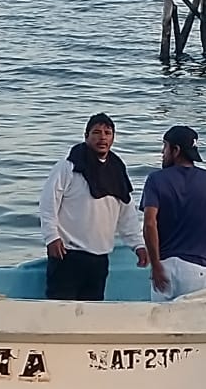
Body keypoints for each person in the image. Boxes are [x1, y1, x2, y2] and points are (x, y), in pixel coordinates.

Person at [39, 113, 147, 301]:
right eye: (96, 132)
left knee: (91, 311)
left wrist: (138, 245)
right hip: (67, 254)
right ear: (86, 136)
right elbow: (48, 202)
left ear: (113, 138)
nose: (102, 137)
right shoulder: (68, 167)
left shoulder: (117, 171)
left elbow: (126, 214)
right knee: (60, 310)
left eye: (107, 132)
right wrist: (51, 237)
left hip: (99, 258)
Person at [140, 125, 206, 301]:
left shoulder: (156, 179)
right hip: (199, 270)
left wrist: (156, 265)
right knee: (197, 324)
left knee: (161, 324)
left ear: (176, 150)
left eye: (165, 147)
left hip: (165, 266)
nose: (162, 152)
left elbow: (150, 223)